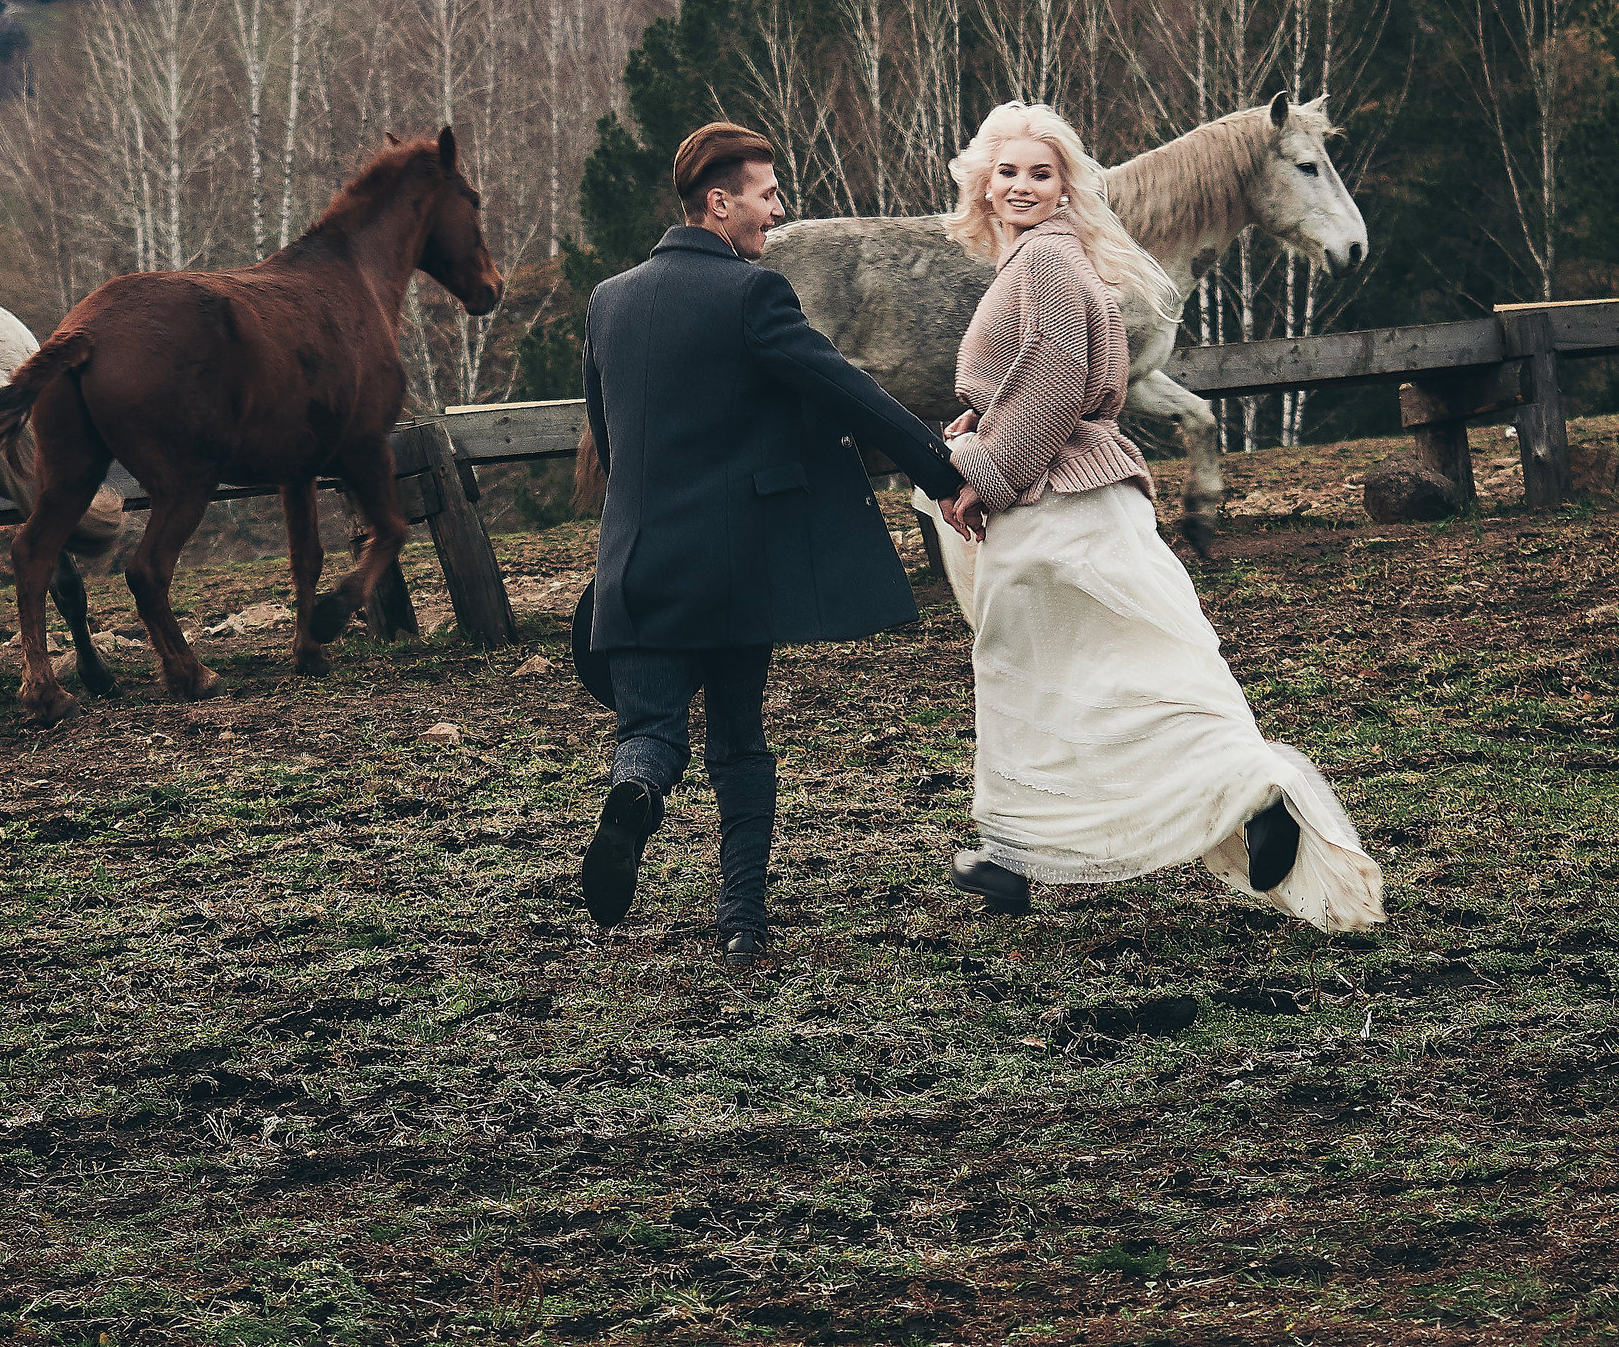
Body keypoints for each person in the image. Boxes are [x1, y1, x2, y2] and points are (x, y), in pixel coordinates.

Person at [921, 101, 1384, 933]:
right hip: (1080, 493)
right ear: (983, 185)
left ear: (1066, 188)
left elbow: (1060, 383)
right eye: (1009, 172)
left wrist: (983, 473)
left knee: (1036, 668)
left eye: (1041, 173)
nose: (1023, 186)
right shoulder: (1044, 260)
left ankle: (1024, 847)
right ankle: (1047, 841)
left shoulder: (1046, 266)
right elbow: (1039, 381)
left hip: (1052, 505)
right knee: (1124, 664)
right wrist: (976, 420)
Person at [578, 122, 972, 968]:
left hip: (635, 565)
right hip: (731, 570)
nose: (777, 211)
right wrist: (945, 476)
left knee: (650, 729)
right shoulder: (753, 296)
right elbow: (851, 392)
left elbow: (610, 441)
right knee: (737, 742)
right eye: (766, 195)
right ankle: (740, 921)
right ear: (719, 204)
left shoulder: (608, 300)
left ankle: (634, 795)